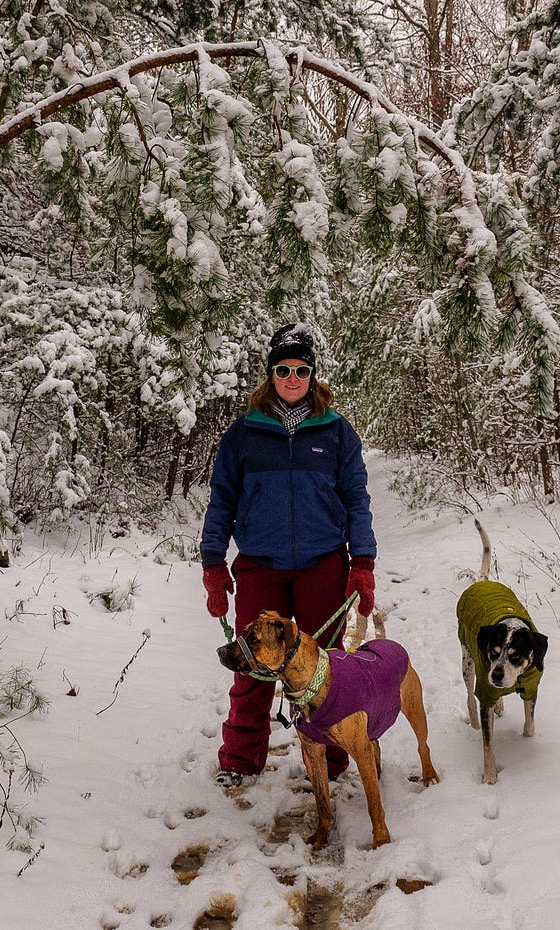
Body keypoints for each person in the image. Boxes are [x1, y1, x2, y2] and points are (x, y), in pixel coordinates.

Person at [201, 323, 378, 789]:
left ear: (312, 373)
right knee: (251, 666)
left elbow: (356, 499)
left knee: (326, 668)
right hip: (261, 567)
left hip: (323, 565)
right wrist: (213, 563)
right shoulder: (244, 433)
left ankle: (333, 761)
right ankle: (240, 760)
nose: (293, 379)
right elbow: (222, 500)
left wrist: (362, 563)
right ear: (271, 374)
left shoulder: (336, 431)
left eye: (301, 370)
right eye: (283, 370)